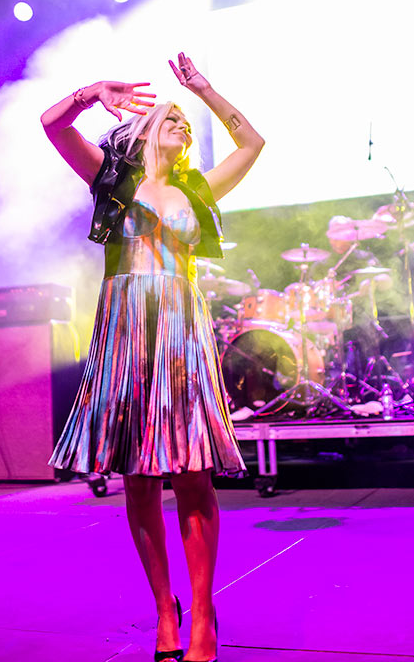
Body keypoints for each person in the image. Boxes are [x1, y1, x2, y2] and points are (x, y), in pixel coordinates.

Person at [40, 52, 264, 662]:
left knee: (193, 472)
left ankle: (201, 618)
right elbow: (52, 124)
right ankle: (165, 608)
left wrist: (204, 91)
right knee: (139, 474)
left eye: (187, 126)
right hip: (125, 327)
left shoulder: (198, 186)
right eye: (172, 118)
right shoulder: (110, 179)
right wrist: (91, 93)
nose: (183, 127)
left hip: (179, 328)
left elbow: (252, 141)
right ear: (141, 130)